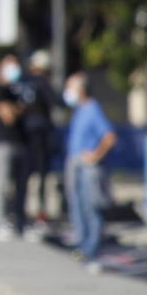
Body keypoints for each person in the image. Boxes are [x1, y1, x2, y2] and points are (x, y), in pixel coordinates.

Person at [63, 72, 117, 269]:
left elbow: (110, 137)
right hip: (76, 164)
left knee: (91, 207)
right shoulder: (80, 110)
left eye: (71, 88)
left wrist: (96, 155)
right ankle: (83, 246)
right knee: (77, 206)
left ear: (81, 90)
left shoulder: (93, 109)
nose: (67, 92)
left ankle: (91, 248)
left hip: (89, 168)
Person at [0, 54, 29, 241]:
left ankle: (20, 222)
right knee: (2, 185)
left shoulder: (21, 90)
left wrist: (16, 109)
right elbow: (9, 117)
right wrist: (17, 109)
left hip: (22, 143)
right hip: (4, 144)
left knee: (21, 187)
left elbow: (29, 109)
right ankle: (0, 223)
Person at [22, 50, 60, 226]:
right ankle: (40, 212)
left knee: (30, 176)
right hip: (40, 136)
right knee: (41, 176)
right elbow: (56, 102)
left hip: (27, 137)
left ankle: (31, 212)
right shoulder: (41, 84)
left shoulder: (24, 83)